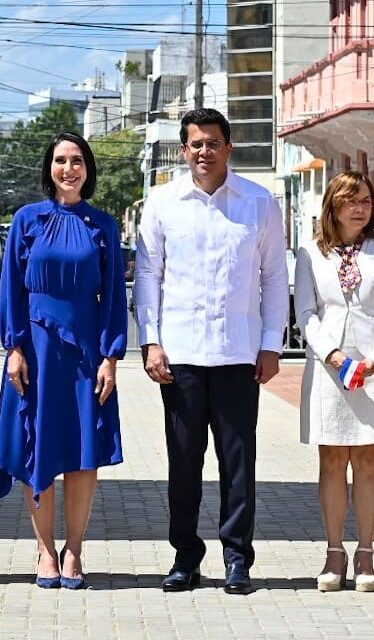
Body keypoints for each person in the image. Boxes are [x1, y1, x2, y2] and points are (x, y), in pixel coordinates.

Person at [134, 108, 289, 595]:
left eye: (213, 143)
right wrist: (151, 341)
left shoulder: (259, 202)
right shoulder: (161, 203)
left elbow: (274, 277)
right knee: (184, 462)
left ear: (229, 147)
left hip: (239, 354)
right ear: (184, 150)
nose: (204, 152)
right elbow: (148, 276)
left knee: (238, 463)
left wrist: (270, 345)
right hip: (179, 356)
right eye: (195, 144)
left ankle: (238, 559)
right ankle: (185, 557)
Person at [0, 132, 128, 590]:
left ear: (88, 169)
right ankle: (44, 550)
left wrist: (111, 356)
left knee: (83, 452)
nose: (68, 169)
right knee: (39, 447)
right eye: (59, 161)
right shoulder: (26, 220)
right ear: (48, 168)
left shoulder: (103, 225)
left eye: (76, 161)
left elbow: (113, 298)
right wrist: (12, 347)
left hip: (86, 352)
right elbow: (11, 286)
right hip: (35, 351)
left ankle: (75, 548)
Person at [293, 171, 374, 592]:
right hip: (328, 367)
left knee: (367, 463)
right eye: (350, 200)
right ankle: (333, 551)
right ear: (333, 206)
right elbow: (306, 312)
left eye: (366, 201)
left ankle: (366, 552)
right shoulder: (310, 254)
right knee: (331, 461)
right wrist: (334, 356)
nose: (360, 208)